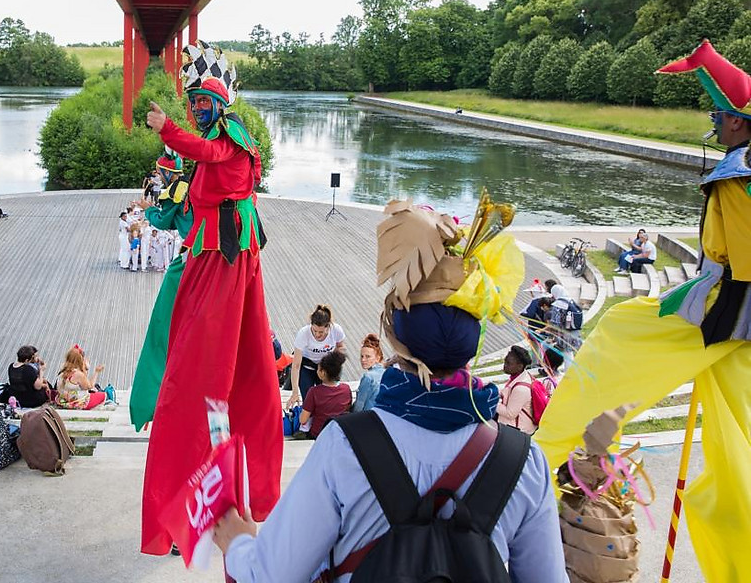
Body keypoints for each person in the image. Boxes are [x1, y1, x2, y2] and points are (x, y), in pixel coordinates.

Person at [213, 200, 565, 582]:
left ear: (394, 336)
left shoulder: (344, 446)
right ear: (475, 337)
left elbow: (270, 576)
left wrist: (239, 544)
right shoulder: (525, 462)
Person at [536, 40, 751, 581]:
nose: (715, 123)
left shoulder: (739, 176)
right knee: (738, 452)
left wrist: (713, 319)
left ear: (740, 124)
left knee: (617, 330)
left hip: (728, 311)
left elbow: (743, 265)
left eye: (719, 115)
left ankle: (543, 456)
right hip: (733, 312)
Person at [142, 43, 281, 557]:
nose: (196, 110)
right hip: (216, 260)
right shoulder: (217, 144)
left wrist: (168, 131)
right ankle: (212, 497)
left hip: (220, 265)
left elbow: (212, 154)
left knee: (198, 382)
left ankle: (198, 502)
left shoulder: (228, 138)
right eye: (192, 103)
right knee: (216, 381)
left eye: (203, 101)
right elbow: (199, 183)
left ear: (219, 102)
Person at [129, 151, 193, 431]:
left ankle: (150, 399)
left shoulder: (176, 190)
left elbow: (163, 220)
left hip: (192, 255)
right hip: (211, 252)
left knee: (161, 326)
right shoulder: (195, 183)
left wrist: (147, 208)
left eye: (159, 173)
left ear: (165, 173)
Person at [286, 305, 346, 409]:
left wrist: (335, 361)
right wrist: (295, 391)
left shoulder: (336, 330)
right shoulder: (303, 334)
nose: (317, 335)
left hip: (325, 365)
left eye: (321, 332)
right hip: (307, 365)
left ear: (328, 327)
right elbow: (296, 365)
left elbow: (341, 346)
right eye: (314, 330)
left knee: (325, 398)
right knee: (308, 399)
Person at [294, 351, 351, 440]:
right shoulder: (346, 389)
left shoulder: (314, 392)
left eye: (318, 369)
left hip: (318, 433)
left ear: (323, 373)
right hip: (339, 431)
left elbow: (303, 420)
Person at [496, 346, 536, 435]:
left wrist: (491, 402)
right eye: (505, 361)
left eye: (508, 363)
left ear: (519, 366)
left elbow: (510, 413)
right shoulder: (520, 376)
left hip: (518, 432)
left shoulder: (521, 389)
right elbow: (508, 393)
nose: (504, 365)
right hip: (515, 428)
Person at [352, 333, 385, 412]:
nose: (363, 360)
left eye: (368, 356)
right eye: (362, 356)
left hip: (369, 416)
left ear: (378, 358)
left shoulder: (368, 377)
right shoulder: (387, 372)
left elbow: (359, 404)